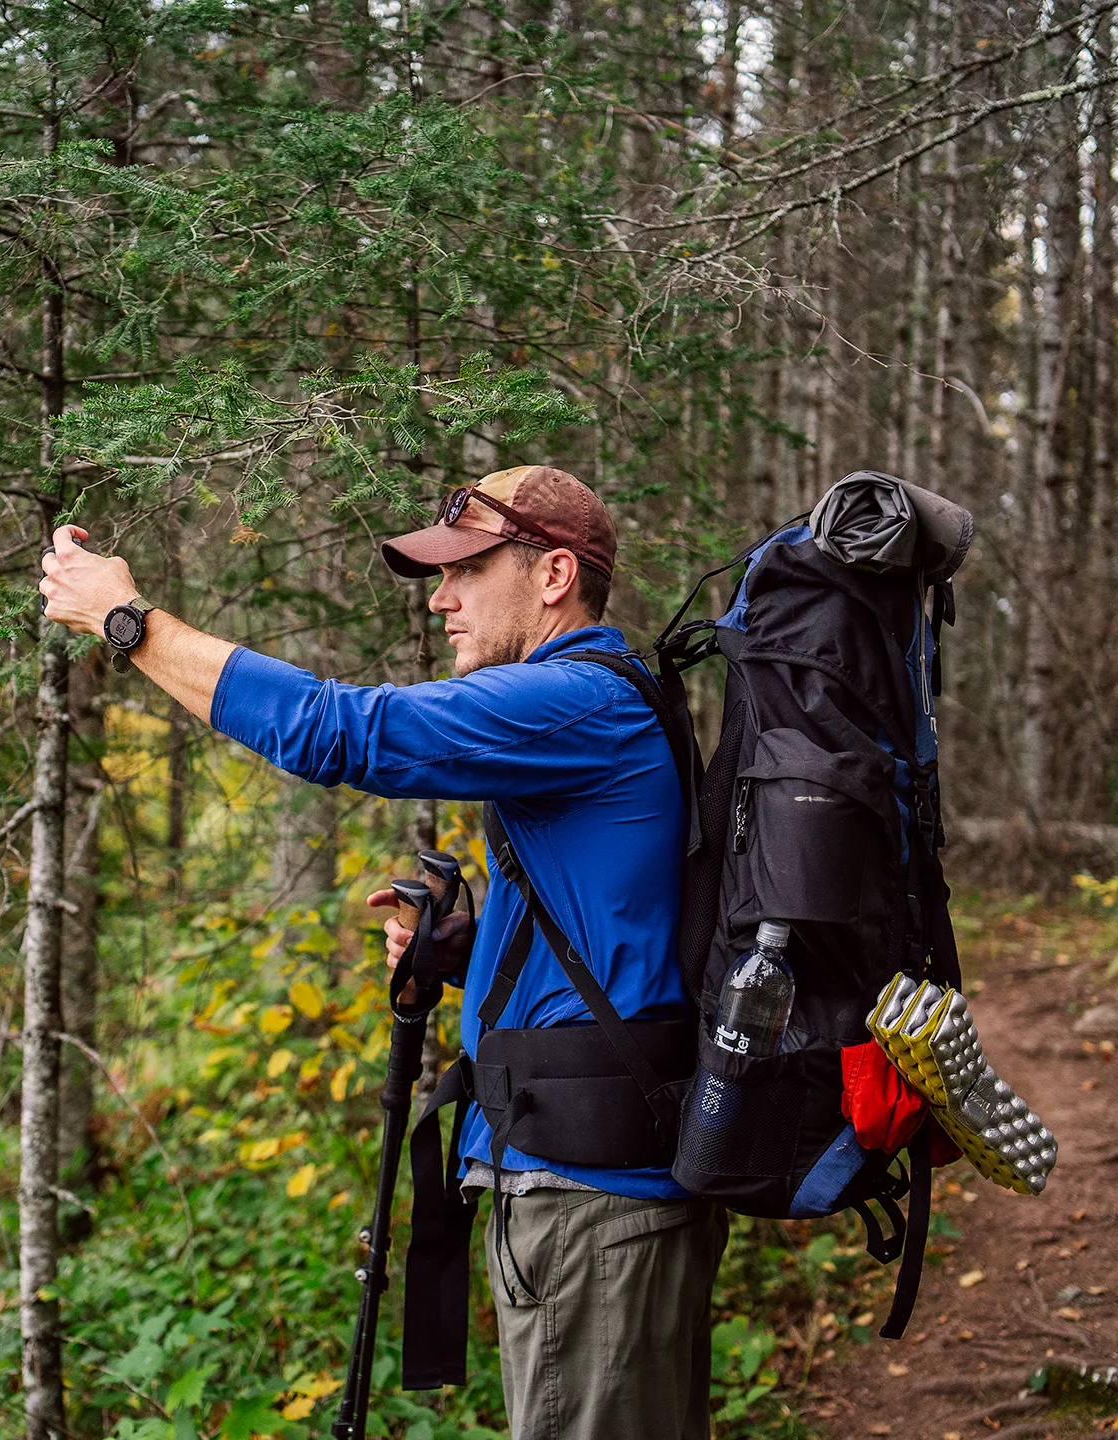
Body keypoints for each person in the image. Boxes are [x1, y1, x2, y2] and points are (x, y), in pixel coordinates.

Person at [38, 465, 724, 1440]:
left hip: (593, 1202)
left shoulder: (574, 700)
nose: (441, 599)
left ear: (554, 575)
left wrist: (130, 622)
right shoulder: (601, 703)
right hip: (587, 1189)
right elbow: (619, 923)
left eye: (467, 571)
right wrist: (468, 950)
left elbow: (342, 733)